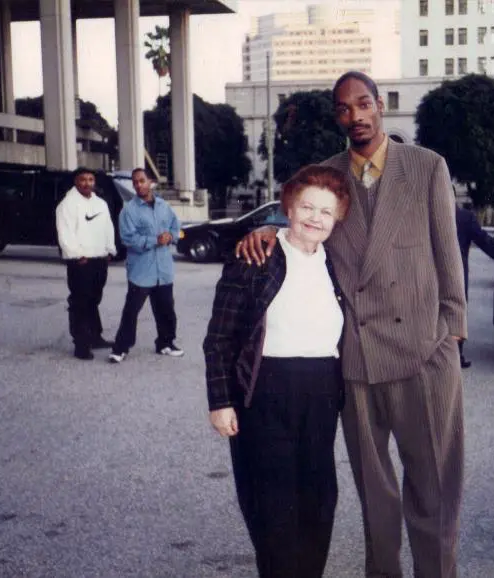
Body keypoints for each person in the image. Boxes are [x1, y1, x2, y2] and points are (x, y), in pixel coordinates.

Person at [236, 71, 467, 578]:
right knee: (375, 498)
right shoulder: (328, 173)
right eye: (344, 108)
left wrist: (450, 334)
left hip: (424, 355)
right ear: (336, 116)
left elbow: (449, 258)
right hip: (357, 361)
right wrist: (268, 230)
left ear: (380, 104)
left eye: (363, 104)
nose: (355, 116)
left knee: (433, 490)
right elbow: (302, 220)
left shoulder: (426, 167)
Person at [203, 165, 350, 578]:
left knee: (319, 500)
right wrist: (220, 401)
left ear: (338, 217)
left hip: (322, 392)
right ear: (288, 207)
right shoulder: (256, 257)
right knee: (272, 504)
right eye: (307, 207)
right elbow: (219, 337)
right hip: (265, 390)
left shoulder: (336, 263)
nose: (315, 218)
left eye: (326, 211)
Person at [108, 168, 183, 363]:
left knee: (166, 309)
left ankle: (165, 343)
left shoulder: (163, 206)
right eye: (135, 182)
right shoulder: (129, 210)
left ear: (151, 182)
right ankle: (120, 348)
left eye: (142, 180)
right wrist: (155, 240)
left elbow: (176, 226)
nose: (138, 185)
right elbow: (128, 238)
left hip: (163, 270)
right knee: (131, 311)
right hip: (141, 271)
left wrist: (171, 236)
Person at [55, 167, 117, 360]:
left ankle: (95, 337)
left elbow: (108, 228)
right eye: (83, 180)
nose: (87, 183)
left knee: (93, 300)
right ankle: (81, 345)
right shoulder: (67, 205)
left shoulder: (101, 204)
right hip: (81, 262)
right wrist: (76, 255)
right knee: (80, 302)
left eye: (90, 180)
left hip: (99, 259)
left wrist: (109, 250)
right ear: (76, 182)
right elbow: (65, 234)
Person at [455, 202, 494, 368]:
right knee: (456, 313)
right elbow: (485, 241)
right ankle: (456, 356)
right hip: (456, 275)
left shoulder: (426, 215)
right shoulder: (464, 217)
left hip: (429, 275)